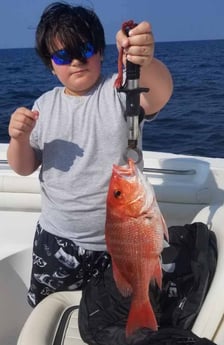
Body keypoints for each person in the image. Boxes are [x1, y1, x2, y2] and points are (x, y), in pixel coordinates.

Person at [7, 2, 173, 307]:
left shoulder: (119, 90)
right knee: (51, 308)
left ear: (99, 51)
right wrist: (18, 139)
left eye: (83, 50)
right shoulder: (44, 105)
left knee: (118, 310)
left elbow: (159, 93)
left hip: (119, 246)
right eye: (62, 55)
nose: (75, 62)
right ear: (50, 64)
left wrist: (144, 61)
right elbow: (24, 167)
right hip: (56, 240)